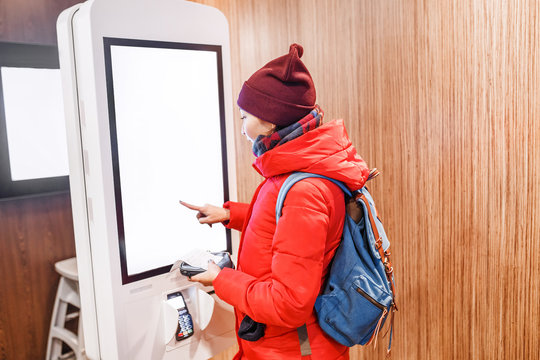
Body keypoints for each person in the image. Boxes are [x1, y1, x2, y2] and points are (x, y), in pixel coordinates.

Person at [180, 43, 369, 360]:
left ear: (268, 121)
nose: (243, 129)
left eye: (245, 118)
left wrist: (221, 278)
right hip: (289, 344)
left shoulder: (303, 189)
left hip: (295, 349)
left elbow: (289, 303)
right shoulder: (305, 167)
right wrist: (229, 214)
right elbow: (289, 226)